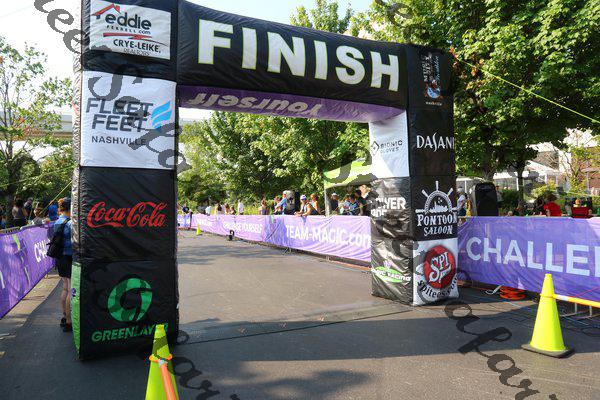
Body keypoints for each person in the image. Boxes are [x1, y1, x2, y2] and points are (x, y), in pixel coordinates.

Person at [54, 198, 73, 332]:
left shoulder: (57, 221)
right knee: (71, 289)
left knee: (65, 287)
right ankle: (69, 321)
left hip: (60, 258)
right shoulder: (70, 223)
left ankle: (65, 316)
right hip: (69, 257)